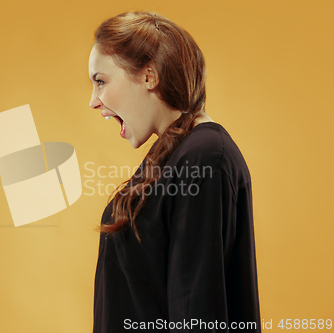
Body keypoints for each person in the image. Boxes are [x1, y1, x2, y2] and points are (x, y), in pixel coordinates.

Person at [88, 11, 261, 332]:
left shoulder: (204, 157)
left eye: (101, 81)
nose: (94, 101)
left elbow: (198, 306)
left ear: (148, 76)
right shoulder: (180, 154)